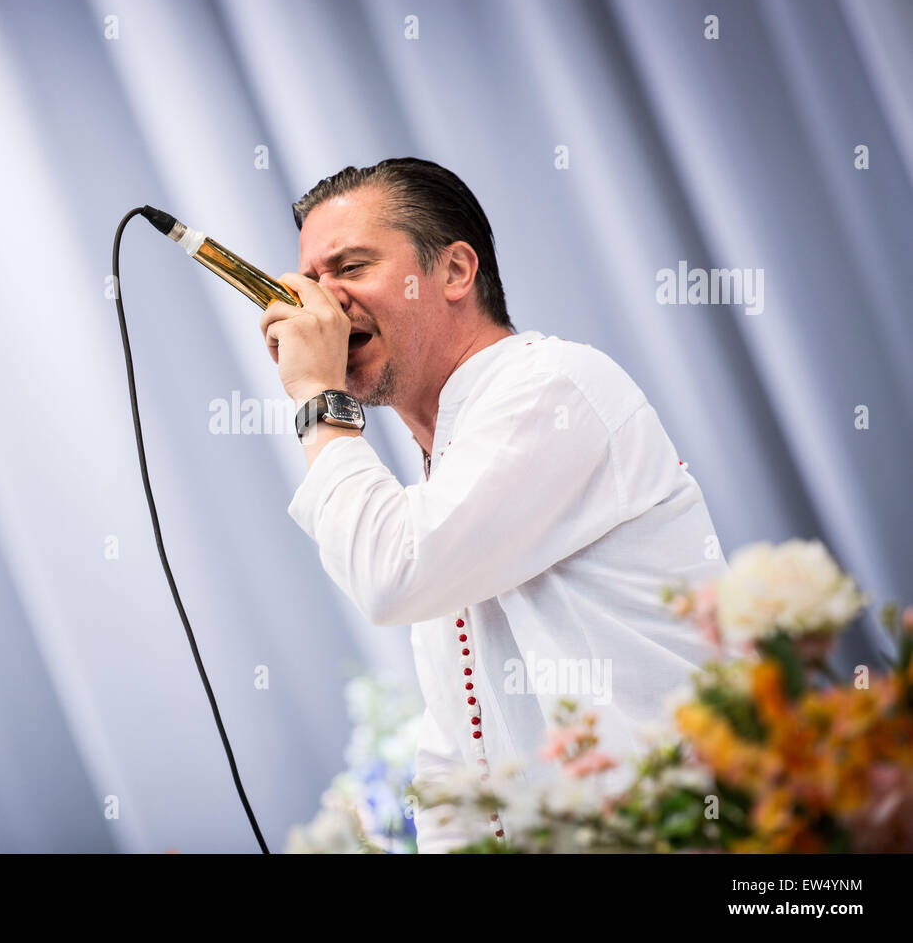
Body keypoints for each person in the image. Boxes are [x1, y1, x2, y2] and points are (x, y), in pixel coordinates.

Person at [261, 157, 725, 853]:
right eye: (309, 283)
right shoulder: (442, 475)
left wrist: (314, 400)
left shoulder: (552, 387)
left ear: (453, 272)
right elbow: (460, 763)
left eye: (351, 268)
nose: (318, 309)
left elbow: (393, 575)